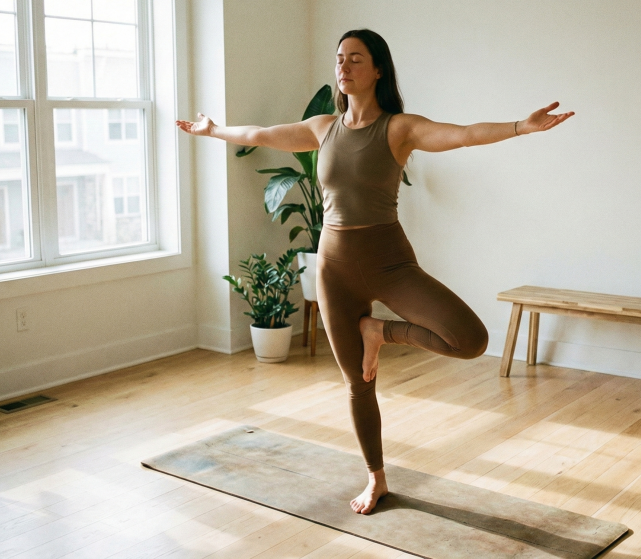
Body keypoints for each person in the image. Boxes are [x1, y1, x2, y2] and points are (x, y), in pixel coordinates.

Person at [176, 28, 574, 515]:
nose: (343, 67)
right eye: (340, 59)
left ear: (378, 69)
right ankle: (376, 478)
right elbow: (259, 135)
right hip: (334, 268)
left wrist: (521, 126)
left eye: (356, 59)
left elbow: (465, 135)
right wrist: (212, 130)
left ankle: (378, 331)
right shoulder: (323, 127)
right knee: (357, 385)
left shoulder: (399, 128)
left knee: (469, 340)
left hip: (389, 262)